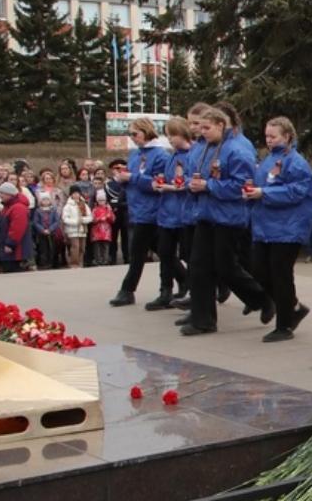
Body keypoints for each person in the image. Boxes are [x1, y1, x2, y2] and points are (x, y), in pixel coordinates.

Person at [178, 106, 269, 336]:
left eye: (206, 128)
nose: (201, 132)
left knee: (226, 267)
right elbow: (195, 173)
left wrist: (209, 186)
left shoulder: (236, 149)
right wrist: (191, 184)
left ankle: (263, 298)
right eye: (199, 127)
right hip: (206, 214)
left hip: (229, 217)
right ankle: (203, 320)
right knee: (199, 267)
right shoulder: (204, 148)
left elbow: (243, 185)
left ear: (221, 125)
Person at [245, 117, 312, 342]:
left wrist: (264, 193)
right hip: (266, 225)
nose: (269, 140)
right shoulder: (268, 160)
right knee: (258, 269)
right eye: (267, 136)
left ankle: (284, 323)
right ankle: (293, 306)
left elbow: (297, 191)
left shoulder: (296, 162)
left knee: (281, 273)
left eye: (273, 136)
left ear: (287, 136)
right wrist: (251, 193)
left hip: (288, 226)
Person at [111, 119, 163, 305]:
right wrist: (122, 178)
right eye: (130, 134)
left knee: (137, 250)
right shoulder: (135, 154)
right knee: (162, 251)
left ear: (146, 131)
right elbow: (133, 177)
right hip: (136, 207)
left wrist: (132, 177)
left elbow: (156, 183)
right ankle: (184, 280)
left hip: (151, 209)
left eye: (135, 134)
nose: (132, 138)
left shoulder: (160, 155)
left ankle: (127, 289)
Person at [149, 118, 191, 308]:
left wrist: (172, 187)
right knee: (165, 253)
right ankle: (165, 291)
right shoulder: (172, 156)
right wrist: (159, 184)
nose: (170, 139)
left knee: (188, 255)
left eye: (172, 135)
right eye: (168, 136)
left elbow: (188, 182)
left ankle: (191, 289)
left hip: (184, 214)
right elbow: (169, 178)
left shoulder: (192, 155)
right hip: (167, 213)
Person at [0, 180, 33, 271]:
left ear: (10, 194)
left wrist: (10, 244)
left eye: (2, 193)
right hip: (11, 250)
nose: (0, 196)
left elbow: (17, 228)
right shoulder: (8, 207)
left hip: (17, 251)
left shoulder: (18, 208)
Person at [61, 186, 90, 268]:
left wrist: (83, 220)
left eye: (77, 193)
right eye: (74, 193)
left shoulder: (84, 204)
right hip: (72, 230)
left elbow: (90, 216)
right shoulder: (68, 206)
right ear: (71, 195)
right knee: (75, 247)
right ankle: (74, 263)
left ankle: (80, 262)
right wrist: (75, 222)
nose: (76, 195)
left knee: (82, 247)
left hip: (82, 229)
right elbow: (65, 218)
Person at [90, 190, 115, 267]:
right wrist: (100, 219)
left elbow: (113, 219)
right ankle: (98, 260)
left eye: (103, 200)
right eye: (100, 200)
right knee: (97, 246)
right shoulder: (95, 209)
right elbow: (92, 219)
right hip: (96, 231)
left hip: (106, 231)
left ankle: (105, 259)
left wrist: (109, 215)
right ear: (97, 201)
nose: (101, 202)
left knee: (105, 246)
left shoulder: (108, 209)